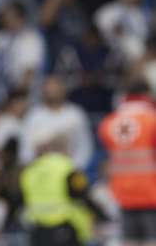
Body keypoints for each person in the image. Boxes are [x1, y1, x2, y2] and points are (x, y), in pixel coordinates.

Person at [20, 127, 106, 246]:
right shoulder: (67, 167)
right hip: (65, 227)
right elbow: (82, 194)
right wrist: (103, 215)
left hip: (38, 229)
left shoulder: (29, 171)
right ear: (62, 147)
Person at [98, 81, 156, 246]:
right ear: (147, 94)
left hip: (123, 194)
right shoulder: (152, 120)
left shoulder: (109, 123)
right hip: (151, 193)